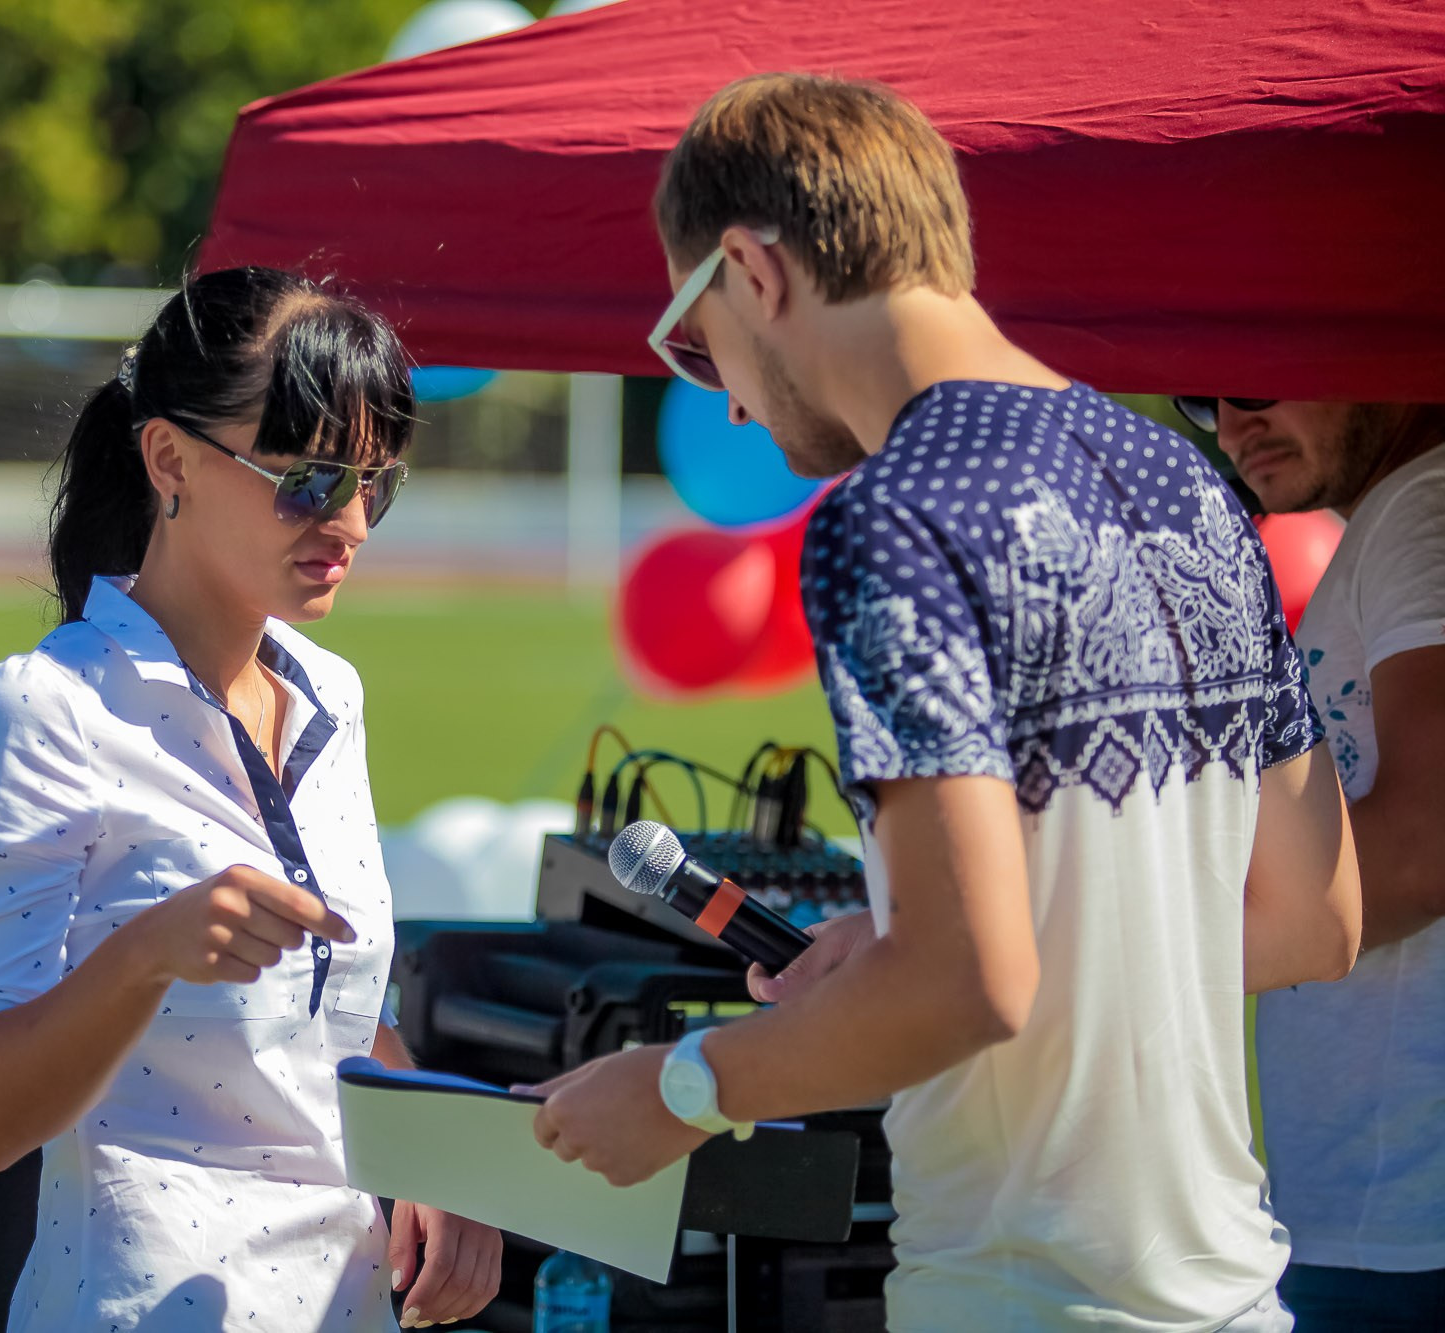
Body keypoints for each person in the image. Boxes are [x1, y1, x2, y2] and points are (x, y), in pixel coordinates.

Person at [527, 74, 1362, 1332]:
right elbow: (1313, 918)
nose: (729, 400)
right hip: (1234, 1293)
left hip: (1019, 1295)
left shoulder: (892, 514)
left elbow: (965, 983)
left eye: (696, 347)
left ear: (751, 272)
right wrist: (904, 942)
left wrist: (678, 1085)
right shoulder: (1188, 484)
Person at [0, 266, 501, 1333]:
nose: (352, 523)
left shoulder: (331, 694)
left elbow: (334, 1014)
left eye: (376, 484)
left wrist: (438, 1156)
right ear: (169, 459)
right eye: (310, 478)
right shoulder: (40, 710)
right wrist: (148, 952)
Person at [1180, 395, 1445, 1330]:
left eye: (1255, 383)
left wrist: (1108, 957)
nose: (1230, 427)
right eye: (1202, 400)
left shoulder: (1425, 505)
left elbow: (1422, 852)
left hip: (1405, 1219)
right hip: (1382, 1208)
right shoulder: (1401, 512)